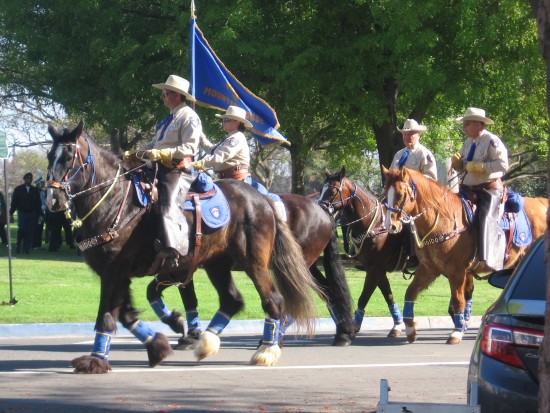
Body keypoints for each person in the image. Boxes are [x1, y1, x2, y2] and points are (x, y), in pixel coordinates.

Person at [124, 75, 201, 271]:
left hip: (176, 170)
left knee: (167, 204)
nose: (163, 96)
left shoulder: (189, 117)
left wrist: (161, 153)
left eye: (166, 93)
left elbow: (190, 148)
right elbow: (155, 144)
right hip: (156, 168)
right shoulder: (168, 119)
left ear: (177, 95)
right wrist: (137, 153)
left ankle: (172, 249)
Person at [451, 107, 508, 272]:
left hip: (488, 190)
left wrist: (482, 167)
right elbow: (465, 166)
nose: (465, 127)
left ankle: (485, 258)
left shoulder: (492, 140)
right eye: (465, 124)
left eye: (467, 124)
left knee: (484, 217)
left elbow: (503, 165)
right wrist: (457, 165)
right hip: (468, 190)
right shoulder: (468, 142)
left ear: (479, 125)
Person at [390, 119, 438, 269]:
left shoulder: (424, 153)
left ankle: (413, 256)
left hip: (417, 199)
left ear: (418, 135)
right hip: (398, 197)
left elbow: (431, 178)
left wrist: (412, 183)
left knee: (410, 222)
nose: (406, 136)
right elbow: (392, 174)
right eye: (405, 133)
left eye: (410, 133)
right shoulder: (399, 154)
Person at [192, 105, 252, 181]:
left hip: (236, 180)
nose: (223, 122)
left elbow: (221, 156)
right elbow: (212, 150)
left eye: (227, 119)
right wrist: (201, 136)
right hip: (228, 179)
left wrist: (202, 163)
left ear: (237, 122)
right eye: (223, 119)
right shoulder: (231, 137)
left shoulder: (236, 137)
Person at [9, 172, 42, 254]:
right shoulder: (18, 189)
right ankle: (18, 245)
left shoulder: (34, 190)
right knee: (22, 229)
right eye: (27, 178)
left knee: (30, 231)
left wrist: (40, 214)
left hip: (32, 213)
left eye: (30, 178)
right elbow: (14, 202)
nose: (29, 180)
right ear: (24, 179)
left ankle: (26, 248)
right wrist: (11, 213)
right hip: (22, 212)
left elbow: (38, 203)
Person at [33, 177, 47, 249]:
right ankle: (35, 245)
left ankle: (38, 244)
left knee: (40, 229)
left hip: (42, 212)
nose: (44, 184)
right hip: (37, 213)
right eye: (42, 183)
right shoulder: (36, 192)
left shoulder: (42, 192)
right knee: (36, 229)